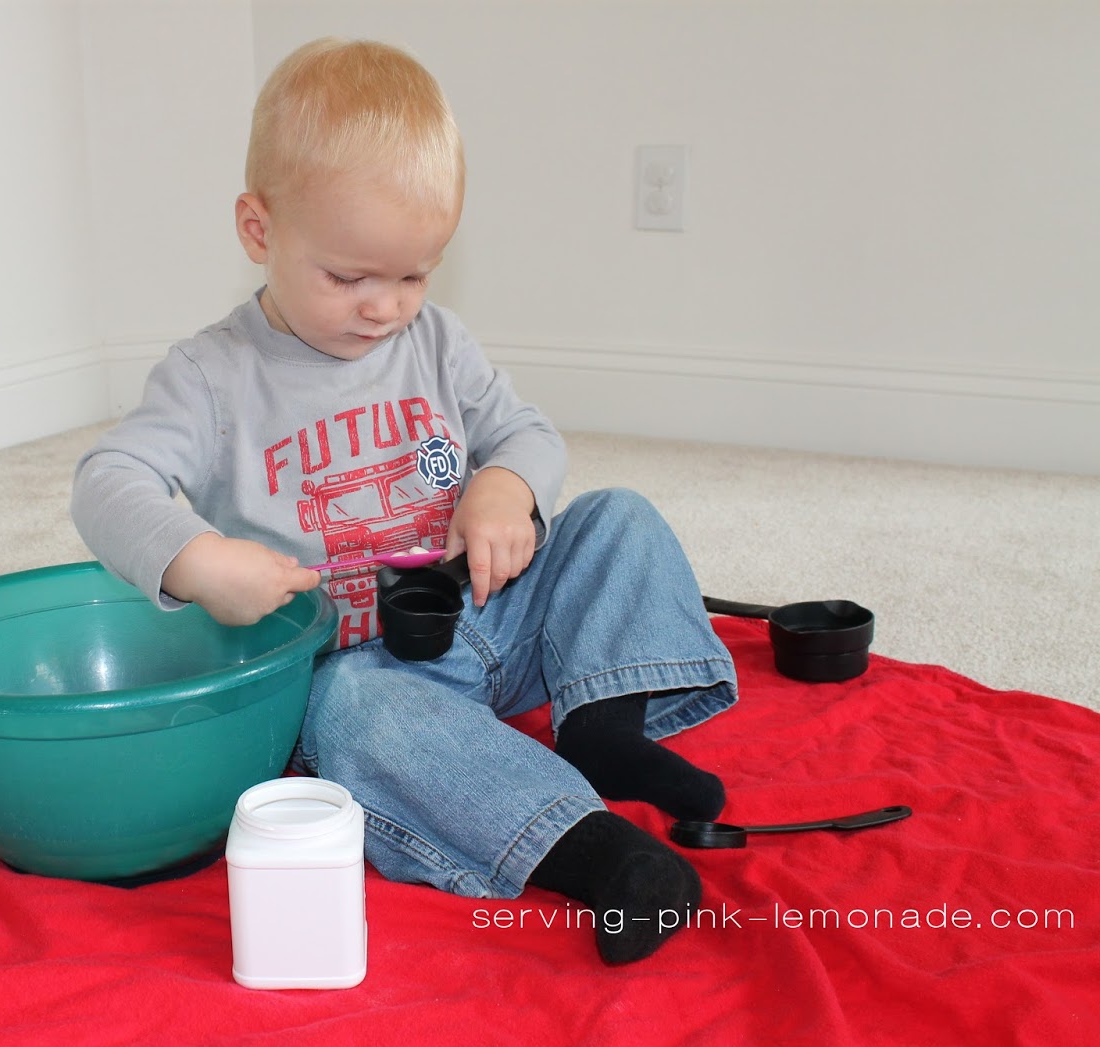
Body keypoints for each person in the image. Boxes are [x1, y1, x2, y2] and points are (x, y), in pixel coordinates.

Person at [71, 37, 737, 964]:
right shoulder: (212, 376)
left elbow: (530, 435)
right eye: (348, 277)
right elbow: (108, 481)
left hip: (495, 618)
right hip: (367, 671)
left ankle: (601, 726)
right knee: (352, 718)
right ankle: (596, 853)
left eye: (415, 275)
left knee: (618, 517)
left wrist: (505, 488)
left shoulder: (438, 342)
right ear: (260, 231)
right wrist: (196, 561)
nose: (385, 307)